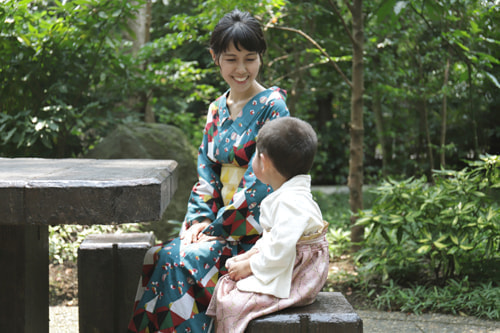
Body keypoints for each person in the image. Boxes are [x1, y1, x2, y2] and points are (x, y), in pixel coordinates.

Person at [127, 9, 289, 333]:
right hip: (217, 224)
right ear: (215, 57)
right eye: (231, 59)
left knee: (178, 258)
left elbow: (265, 180)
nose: (241, 69)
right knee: (158, 255)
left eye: (250, 58)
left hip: (252, 233)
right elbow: (207, 172)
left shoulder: (274, 106)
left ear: (261, 57)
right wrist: (200, 219)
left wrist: (218, 227)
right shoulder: (216, 109)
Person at [205, 117, 330, 333]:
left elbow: (280, 250)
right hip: (288, 264)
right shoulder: (288, 194)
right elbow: (274, 240)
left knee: (231, 301)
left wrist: (249, 266)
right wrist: (248, 256)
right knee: (227, 285)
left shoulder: (291, 203)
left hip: (298, 275)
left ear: (264, 162)